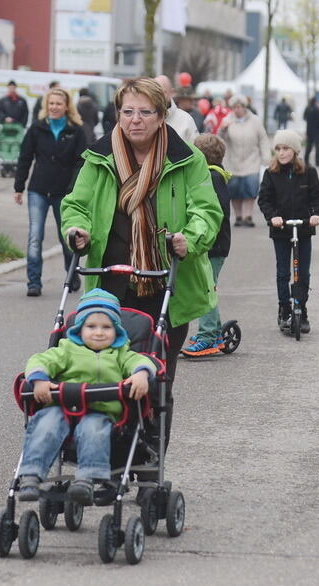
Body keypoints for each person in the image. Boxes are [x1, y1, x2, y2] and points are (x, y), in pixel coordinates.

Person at [60, 77, 223, 451]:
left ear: (162, 116)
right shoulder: (99, 157)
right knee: (106, 372)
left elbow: (207, 212)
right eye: (127, 111)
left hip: (168, 285)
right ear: (118, 114)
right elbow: (77, 205)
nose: (135, 120)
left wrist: (189, 238)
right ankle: (112, 450)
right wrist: (77, 230)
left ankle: (151, 459)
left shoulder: (187, 159)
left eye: (145, 112)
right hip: (111, 286)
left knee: (158, 380)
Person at [17, 288, 156, 504]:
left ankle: (87, 479)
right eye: (91, 327)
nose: (99, 333)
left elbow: (141, 361)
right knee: (45, 425)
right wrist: (39, 379)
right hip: (60, 407)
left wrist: (141, 374)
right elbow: (41, 360)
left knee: (94, 430)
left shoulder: (120, 353)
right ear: (79, 329)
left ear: (116, 330)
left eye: (106, 327)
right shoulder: (67, 349)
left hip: (100, 409)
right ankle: (30, 475)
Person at [14, 86, 87, 297]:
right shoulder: (37, 128)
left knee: (67, 236)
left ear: (66, 107)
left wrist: (74, 188)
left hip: (63, 192)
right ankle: (33, 282)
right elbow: (25, 158)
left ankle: (71, 274)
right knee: (35, 235)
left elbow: (81, 162)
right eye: (51, 103)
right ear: (47, 106)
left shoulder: (76, 131)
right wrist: (19, 187)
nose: (54, 107)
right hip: (38, 189)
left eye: (58, 104)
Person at [258, 129, 319, 334]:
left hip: (303, 229)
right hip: (281, 229)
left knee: (302, 272)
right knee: (283, 273)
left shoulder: (308, 172)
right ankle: (285, 309)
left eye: (285, 148)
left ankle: (301, 308)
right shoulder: (271, 174)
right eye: (277, 148)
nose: (281, 153)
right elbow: (264, 200)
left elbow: (318, 198)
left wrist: (317, 215)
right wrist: (273, 217)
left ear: (295, 151)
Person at [182, 133, 232, 357]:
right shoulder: (214, 175)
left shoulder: (211, 178)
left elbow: (213, 214)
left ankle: (208, 335)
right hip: (215, 244)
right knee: (208, 286)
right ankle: (216, 333)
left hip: (212, 245)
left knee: (205, 289)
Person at [219, 95, 271, 227]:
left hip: (251, 160)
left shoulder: (255, 121)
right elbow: (220, 139)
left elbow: (263, 139)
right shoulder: (227, 121)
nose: (237, 110)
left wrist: (266, 158)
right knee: (234, 190)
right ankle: (238, 216)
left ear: (244, 107)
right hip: (233, 161)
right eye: (234, 107)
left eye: (239, 107)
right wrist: (223, 129)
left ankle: (248, 215)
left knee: (250, 188)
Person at [154, 75, 198, 143]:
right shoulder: (143, 118)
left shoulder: (186, 120)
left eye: (163, 92)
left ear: (171, 92)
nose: (159, 96)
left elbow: (197, 150)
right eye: (155, 92)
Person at [303, 97, 319, 167]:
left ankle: (306, 161)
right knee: (318, 147)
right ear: (315, 101)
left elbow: (304, 118)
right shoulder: (317, 109)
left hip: (309, 130)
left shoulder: (307, 108)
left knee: (308, 147)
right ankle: (318, 162)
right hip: (317, 131)